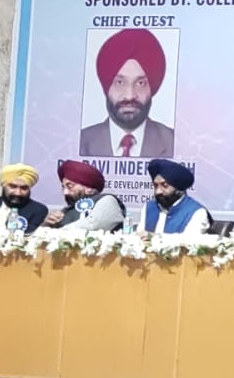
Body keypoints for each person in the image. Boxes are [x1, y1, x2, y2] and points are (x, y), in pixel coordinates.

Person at [80, 28, 176, 157]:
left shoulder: (174, 142)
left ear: (152, 88)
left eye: (140, 83)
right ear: (106, 87)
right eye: (120, 82)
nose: (129, 95)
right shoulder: (82, 142)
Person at [43, 160, 126, 231]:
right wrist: (46, 224)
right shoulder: (66, 210)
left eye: (70, 186)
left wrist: (56, 233)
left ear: (89, 187)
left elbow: (95, 225)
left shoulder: (107, 200)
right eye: (63, 187)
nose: (65, 192)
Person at [141, 158, 211, 234]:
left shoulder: (197, 212)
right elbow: (139, 236)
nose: (158, 191)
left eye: (164, 185)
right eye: (155, 185)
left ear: (178, 188)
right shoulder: (149, 207)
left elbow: (188, 240)